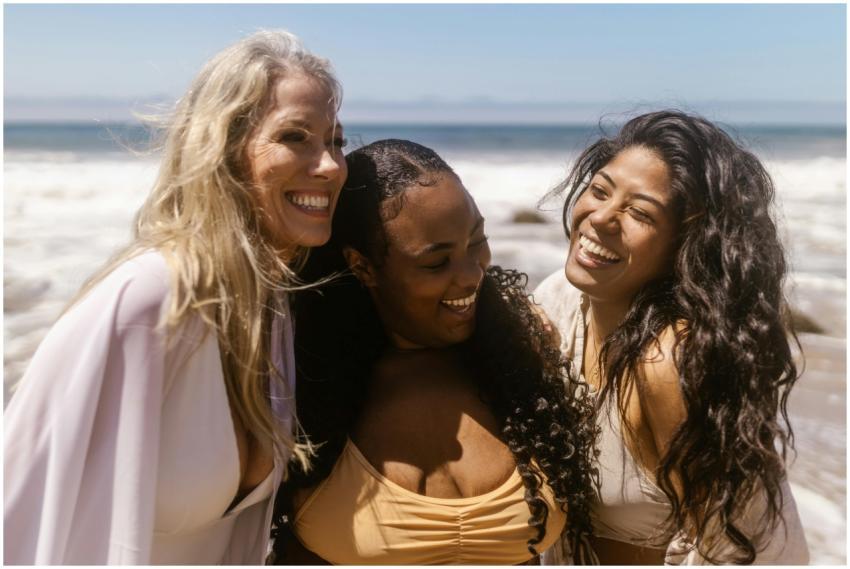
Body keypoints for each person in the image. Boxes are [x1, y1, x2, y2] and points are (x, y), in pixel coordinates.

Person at [4, 30, 347, 564]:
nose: (328, 165)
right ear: (225, 149)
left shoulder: (268, 303)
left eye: (336, 140)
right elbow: (22, 514)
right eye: (296, 137)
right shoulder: (150, 302)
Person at [268, 139, 598, 565]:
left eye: (476, 242)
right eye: (435, 263)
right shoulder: (299, 386)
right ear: (362, 265)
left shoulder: (520, 362)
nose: (469, 276)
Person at [534, 110, 809, 564]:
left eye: (639, 212)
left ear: (685, 244)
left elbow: (725, 550)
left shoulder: (667, 361)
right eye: (600, 190)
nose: (600, 217)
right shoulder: (560, 301)